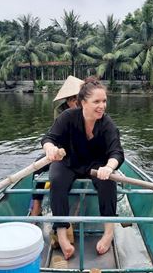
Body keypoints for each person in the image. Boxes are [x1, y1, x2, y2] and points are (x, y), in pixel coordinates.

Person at [41, 76, 124, 259]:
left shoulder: (107, 124)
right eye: (96, 101)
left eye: (104, 101)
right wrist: (50, 149)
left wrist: (109, 168)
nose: (102, 106)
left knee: (108, 182)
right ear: (83, 103)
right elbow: (48, 138)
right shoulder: (67, 117)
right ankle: (62, 234)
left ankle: (108, 232)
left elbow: (117, 152)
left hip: (97, 164)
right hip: (69, 161)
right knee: (56, 180)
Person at [30, 75, 84, 216]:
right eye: (72, 99)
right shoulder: (61, 111)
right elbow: (58, 134)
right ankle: (36, 206)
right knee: (38, 165)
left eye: (77, 99)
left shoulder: (91, 107)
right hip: (64, 151)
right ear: (69, 100)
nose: (76, 102)